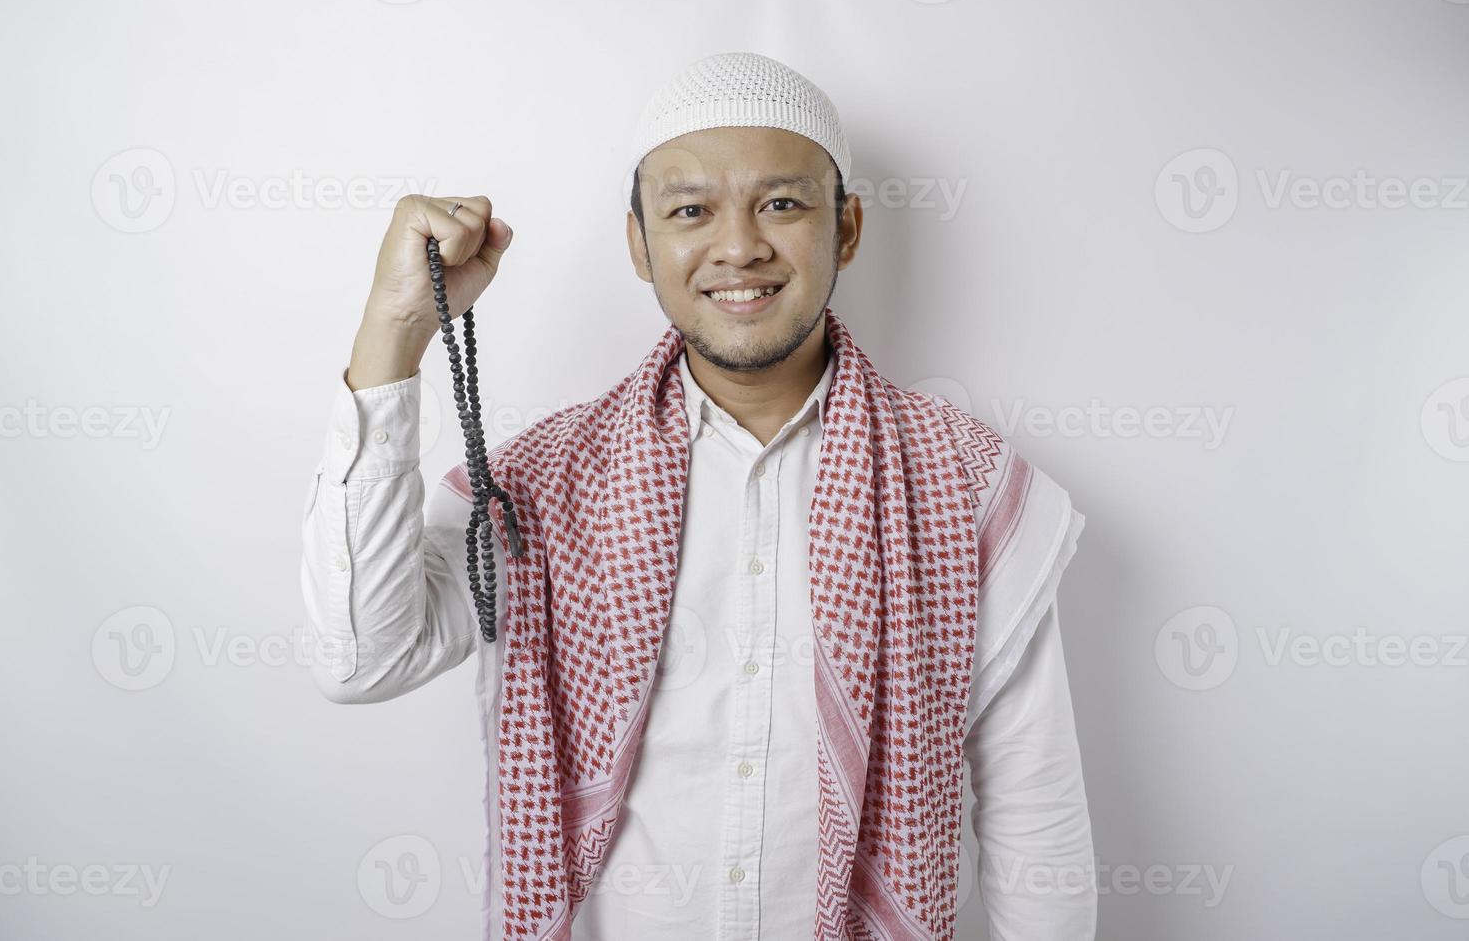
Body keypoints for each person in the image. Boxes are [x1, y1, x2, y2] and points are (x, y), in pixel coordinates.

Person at [301, 51, 1097, 940]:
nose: (739, 246)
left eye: (783, 203)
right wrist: (395, 326)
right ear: (640, 244)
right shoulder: (539, 482)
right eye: (690, 211)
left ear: (848, 229)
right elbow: (361, 658)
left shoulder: (966, 486)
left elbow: (1033, 809)